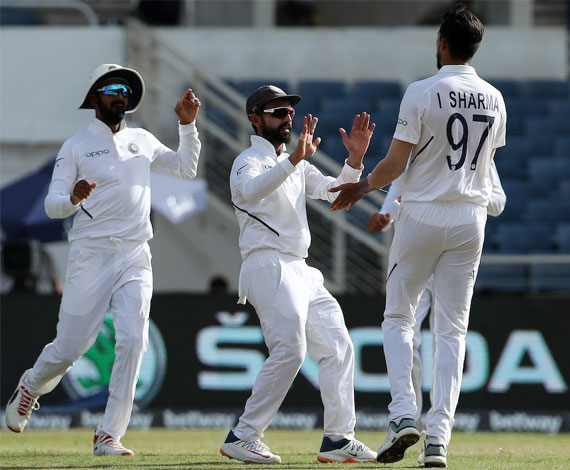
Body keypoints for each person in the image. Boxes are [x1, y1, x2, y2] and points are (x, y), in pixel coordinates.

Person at [330, 4, 506, 467]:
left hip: (424, 214)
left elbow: (395, 165)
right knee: (452, 331)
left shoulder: (423, 91)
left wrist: (362, 186)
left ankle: (404, 414)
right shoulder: (494, 97)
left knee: (399, 318)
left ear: (442, 43)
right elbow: (487, 167)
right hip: (471, 217)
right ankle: (438, 440)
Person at [4, 63, 201, 456]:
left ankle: (109, 434)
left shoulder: (142, 139)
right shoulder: (76, 146)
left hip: (135, 253)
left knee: (133, 339)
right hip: (91, 254)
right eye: (112, 88)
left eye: (125, 89)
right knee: (70, 348)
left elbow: (185, 167)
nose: (120, 94)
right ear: (94, 97)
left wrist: (187, 127)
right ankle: (30, 385)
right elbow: (53, 205)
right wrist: (74, 198)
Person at [221, 85, 377, 465]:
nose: (287, 117)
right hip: (267, 262)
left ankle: (339, 438)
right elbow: (251, 191)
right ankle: (244, 434)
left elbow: (333, 192)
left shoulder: (297, 163)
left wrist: (354, 160)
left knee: (339, 347)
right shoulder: (247, 161)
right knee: (290, 350)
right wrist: (292, 160)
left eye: (289, 112)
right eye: (277, 112)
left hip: (301, 268)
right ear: (255, 119)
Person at [366, 162, 506, 431]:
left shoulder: (478, 145)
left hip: (452, 253)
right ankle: (411, 418)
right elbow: (400, 189)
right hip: (417, 253)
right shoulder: (420, 144)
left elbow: (498, 202)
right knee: (409, 334)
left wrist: (463, 191)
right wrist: (386, 216)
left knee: (446, 333)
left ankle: (436, 426)